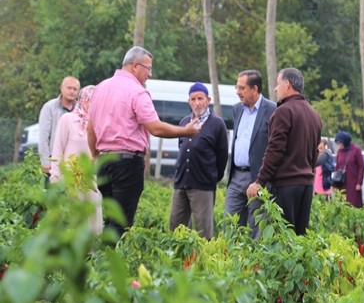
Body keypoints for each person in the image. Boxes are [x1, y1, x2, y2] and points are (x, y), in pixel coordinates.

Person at [88, 46, 200, 237]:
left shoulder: (100, 88)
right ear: (134, 66)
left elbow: (90, 128)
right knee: (121, 223)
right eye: (148, 68)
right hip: (126, 164)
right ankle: (109, 263)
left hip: (105, 164)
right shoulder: (137, 92)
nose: (150, 74)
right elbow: (155, 127)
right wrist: (186, 131)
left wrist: (96, 155)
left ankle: (101, 261)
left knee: (111, 219)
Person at [246, 68, 323, 236]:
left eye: (277, 84)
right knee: (300, 239)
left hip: (286, 186)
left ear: (287, 85)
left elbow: (275, 150)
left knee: (281, 241)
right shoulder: (314, 115)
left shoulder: (283, 112)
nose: (275, 89)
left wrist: (259, 181)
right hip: (306, 187)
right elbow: (314, 154)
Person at [168, 82, 229, 239]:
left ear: (208, 100)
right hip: (181, 183)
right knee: (176, 228)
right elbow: (182, 147)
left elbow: (222, 156)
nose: (197, 103)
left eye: (200, 98)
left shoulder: (217, 124)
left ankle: (203, 262)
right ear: (188, 101)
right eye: (193, 99)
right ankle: (180, 262)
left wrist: (213, 177)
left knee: (203, 232)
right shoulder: (183, 123)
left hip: (202, 185)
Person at [225, 70, 276, 228]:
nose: (237, 92)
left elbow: (275, 147)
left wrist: (263, 180)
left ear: (255, 89)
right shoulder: (237, 109)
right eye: (237, 87)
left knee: (257, 228)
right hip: (236, 177)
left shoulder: (272, 110)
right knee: (230, 226)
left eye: (242, 88)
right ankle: (231, 254)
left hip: (257, 178)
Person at [49, 85, 102, 234]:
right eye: (92, 101)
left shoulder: (99, 125)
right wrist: (55, 176)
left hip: (91, 179)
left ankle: (91, 254)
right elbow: (58, 148)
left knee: (93, 218)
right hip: (70, 178)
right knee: (73, 219)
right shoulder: (68, 119)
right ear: (84, 100)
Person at [39, 76, 80, 176]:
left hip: (75, 164)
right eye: (69, 88)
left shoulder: (80, 109)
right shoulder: (49, 108)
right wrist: (45, 162)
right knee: (53, 191)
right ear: (61, 88)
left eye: (75, 89)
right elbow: (43, 137)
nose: (72, 91)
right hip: (54, 162)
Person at [333, 131, 364, 207]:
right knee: (342, 205)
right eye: (337, 143)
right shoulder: (339, 152)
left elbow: (361, 166)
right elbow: (337, 168)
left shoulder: (356, 150)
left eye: (340, 142)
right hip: (341, 183)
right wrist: (334, 184)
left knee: (353, 205)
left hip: (353, 184)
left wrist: (359, 183)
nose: (339, 145)